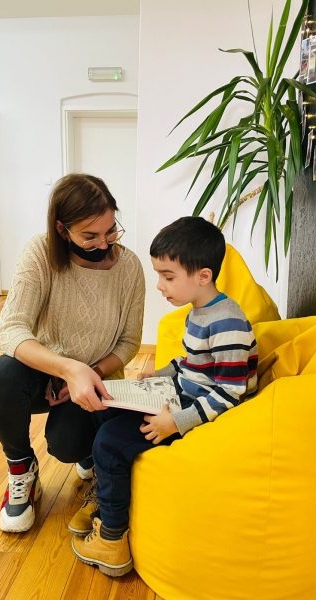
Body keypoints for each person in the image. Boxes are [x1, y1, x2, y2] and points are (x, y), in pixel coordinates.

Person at [71, 216, 258, 576]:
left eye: (168, 276)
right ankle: (102, 498)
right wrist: (159, 374)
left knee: (110, 442)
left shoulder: (228, 323)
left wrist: (177, 421)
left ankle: (111, 540)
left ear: (203, 276)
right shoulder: (201, 311)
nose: (159, 285)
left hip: (196, 413)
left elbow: (231, 392)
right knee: (105, 413)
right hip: (180, 395)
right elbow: (192, 363)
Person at [0, 174, 145, 533]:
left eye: (111, 230)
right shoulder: (40, 252)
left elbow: (129, 342)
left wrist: (92, 372)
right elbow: (10, 329)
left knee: (68, 446)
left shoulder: (129, 267)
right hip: (42, 372)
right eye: (90, 235)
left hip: (95, 380)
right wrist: (67, 368)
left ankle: (87, 449)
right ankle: (22, 467)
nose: (103, 243)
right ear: (62, 229)